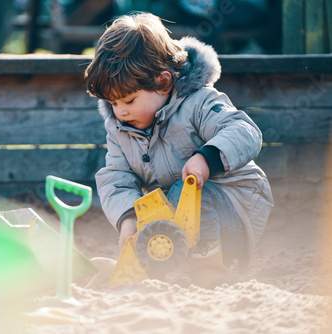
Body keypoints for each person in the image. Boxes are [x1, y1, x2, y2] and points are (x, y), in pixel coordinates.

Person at [84, 12, 273, 269]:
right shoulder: (120, 127)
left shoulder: (199, 102)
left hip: (237, 204)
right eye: (112, 102)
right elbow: (116, 177)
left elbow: (244, 131)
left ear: (163, 82)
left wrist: (207, 158)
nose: (119, 111)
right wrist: (129, 217)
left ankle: (208, 262)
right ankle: (172, 265)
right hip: (180, 211)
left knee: (179, 192)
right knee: (153, 208)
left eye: (128, 100)